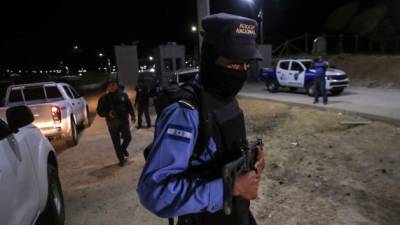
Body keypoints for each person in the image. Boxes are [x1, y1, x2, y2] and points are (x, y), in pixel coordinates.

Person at [137, 13, 265, 225]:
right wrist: (230, 187)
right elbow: (154, 192)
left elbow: (217, 153)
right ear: (210, 58)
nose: (241, 72)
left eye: (246, 64)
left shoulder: (226, 99)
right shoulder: (185, 112)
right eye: (234, 64)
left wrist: (251, 160)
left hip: (238, 216)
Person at [97, 79, 136, 166]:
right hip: (112, 124)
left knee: (128, 137)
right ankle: (121, 160)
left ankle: (123, 149)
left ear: (116, 85)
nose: (112, 86)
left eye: (114, 84)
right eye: (110, 85)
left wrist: (133, 115)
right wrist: (108, 113)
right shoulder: (103, 98)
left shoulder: (123, 95)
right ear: (107, 87)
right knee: (116, 142)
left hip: (123, 121)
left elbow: (129, 105)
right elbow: (99, 111)